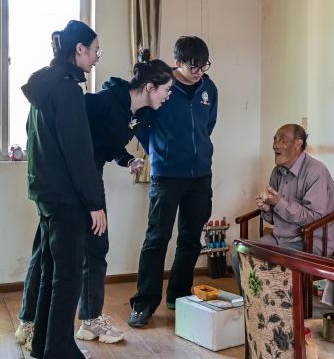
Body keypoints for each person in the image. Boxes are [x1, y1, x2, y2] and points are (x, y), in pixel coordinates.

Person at [15, 48, 174, 351]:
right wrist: (87, 197)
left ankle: (89, 319)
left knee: (97, 247)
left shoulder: (140, 114)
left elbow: (107, 142)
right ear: (150, 87)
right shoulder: (103, 100)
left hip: (90, 177)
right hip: (68, 180)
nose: (168, 96)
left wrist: (127, 160)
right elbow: (68, 130)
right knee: (47, 252)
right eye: (166, 90)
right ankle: (29, 320)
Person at [20, 20, 106, 358]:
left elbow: (33, 137)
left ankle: (44, 345)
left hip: (44, 193)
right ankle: (59, 350)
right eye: (95, 50)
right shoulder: (68, 90)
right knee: (68, 277)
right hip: (66, 198)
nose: (96, 56)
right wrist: (94, 202)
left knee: (51, 273)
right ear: (79, 49)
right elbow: (78, 151)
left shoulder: (44, 85)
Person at [128, 36, 217, 327]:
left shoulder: (209, 88)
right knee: (157, 239)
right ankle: (144, 303)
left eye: (204, 66)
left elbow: (208, 125)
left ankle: (178, 296)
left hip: (200, 175)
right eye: (194, 67)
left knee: (191, 240)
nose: (199, 72)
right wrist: (159, 150)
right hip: (166, 175)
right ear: (177, 63)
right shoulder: (161, 86)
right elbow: (142, 126)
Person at [232, 124, 334, 290]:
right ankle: (250, 303)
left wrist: (278, 202)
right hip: (281, 238)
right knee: (239, 253)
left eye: (281, 140)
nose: (275, 145)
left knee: (269, 264)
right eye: (275, 139)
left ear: (298, 144)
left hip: (310, 242)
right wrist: (267, 209)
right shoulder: (277, 172)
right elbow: (275, 217)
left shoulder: (316, 171)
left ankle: (274, 305)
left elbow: (313, 217)